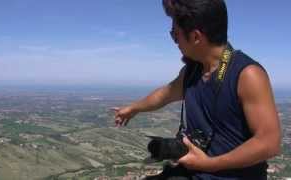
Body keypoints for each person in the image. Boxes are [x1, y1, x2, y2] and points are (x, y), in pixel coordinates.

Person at [112, 0, 281, 179]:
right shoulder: (193, 71)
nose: (175, 42)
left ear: (195, 37)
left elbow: (269, 143)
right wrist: (134, 108)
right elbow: (166, 93)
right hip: (193, 172)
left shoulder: (247, 75)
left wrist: (209, 164)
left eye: (175, 34)